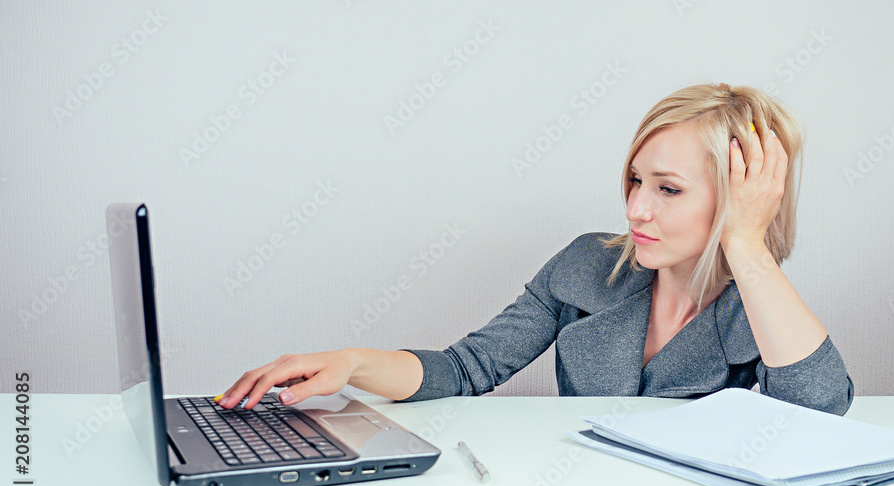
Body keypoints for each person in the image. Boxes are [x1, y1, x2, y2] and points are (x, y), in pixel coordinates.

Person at [218, 83, 854, 416]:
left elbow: (820, 408)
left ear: (742, 197)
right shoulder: (589, 265)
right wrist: (352, 362)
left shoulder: (760, 306)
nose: (636, 208)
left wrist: (744, 240)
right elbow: (466, 369)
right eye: (635, 180)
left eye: (668, 189)